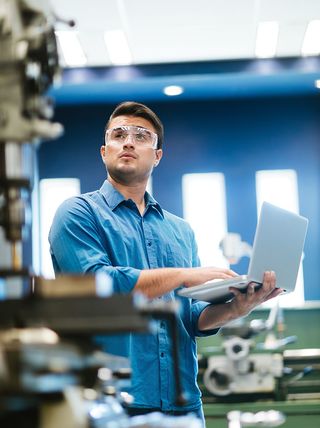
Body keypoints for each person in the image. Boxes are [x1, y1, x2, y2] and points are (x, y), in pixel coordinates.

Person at [49, 101, 282, 426]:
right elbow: (98, 286)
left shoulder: (180, 230)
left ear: (157, 155)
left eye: (142, 136)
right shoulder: (77, 213)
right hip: (110, 405)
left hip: (182, 402)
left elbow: (190, 317)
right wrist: (184, 275)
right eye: (118, 135)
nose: (128, 142)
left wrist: (238, 307)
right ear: (104, 151)